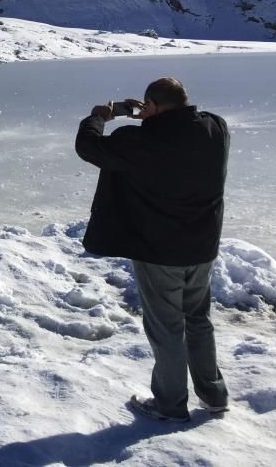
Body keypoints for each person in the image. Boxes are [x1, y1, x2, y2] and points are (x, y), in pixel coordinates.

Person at [75, 77, 230, 423]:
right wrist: (152, 114)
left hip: (159, 251)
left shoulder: (139, 141)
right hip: (203, 246)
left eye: (148, 107)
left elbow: (89, 146)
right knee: (198, 320)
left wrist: (101, 115)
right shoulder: (215, 128)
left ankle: (170, 405)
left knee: (167, 329)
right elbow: (183, 127)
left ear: (153, 106)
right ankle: (214, 394)